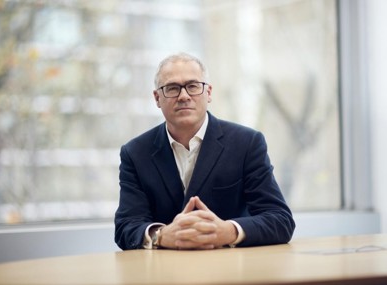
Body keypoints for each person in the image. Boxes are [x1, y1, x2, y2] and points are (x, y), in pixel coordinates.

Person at [114, 53, 295, 250]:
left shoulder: (247, 143)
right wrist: (162, 235)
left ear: (208, 93)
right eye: (172, 88)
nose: (184, 96)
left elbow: (280, 220)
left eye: (192, 86)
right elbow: (126, 227)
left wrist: (228, 231)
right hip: (165, 274)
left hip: (233, 272)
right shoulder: (135, 153)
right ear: (157, 98)